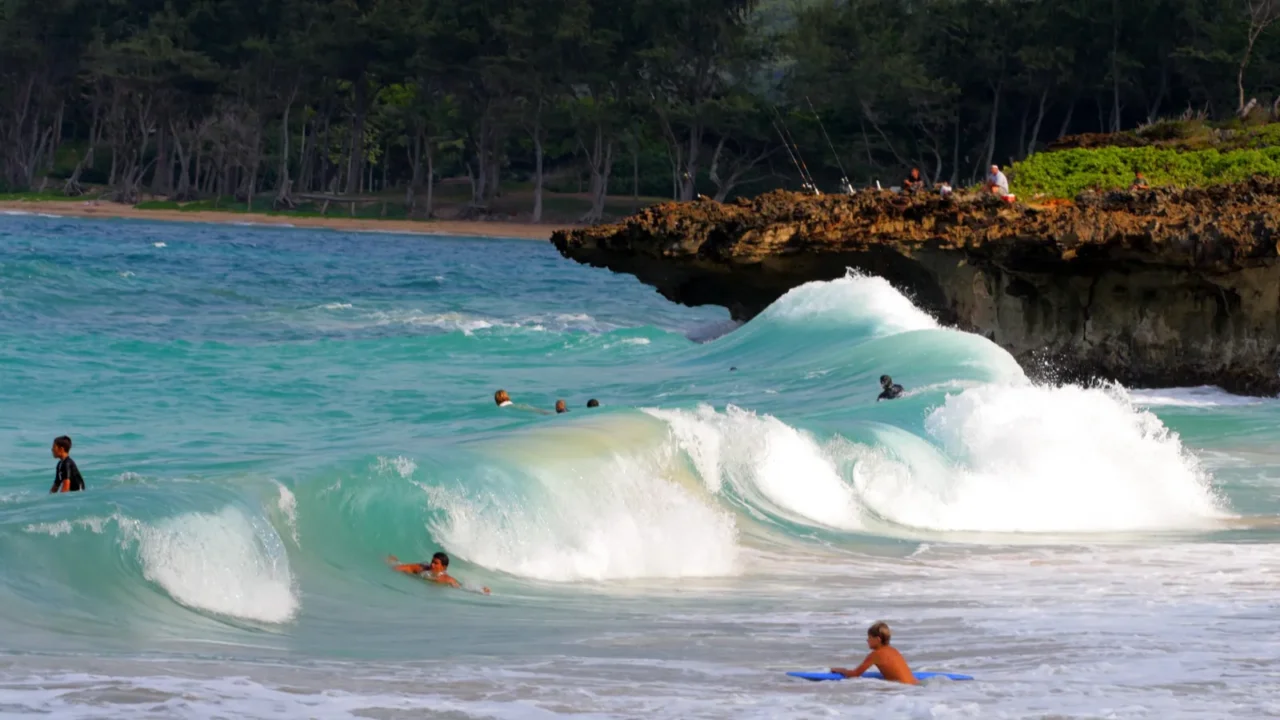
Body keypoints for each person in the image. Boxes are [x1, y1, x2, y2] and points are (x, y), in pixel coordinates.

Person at [831, 621, 917, 685]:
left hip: (902, 689)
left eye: (869, 637)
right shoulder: (894, 650)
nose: (867, 640)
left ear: (878, 640)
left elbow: (855, 674)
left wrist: (840, 670)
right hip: (914, 685)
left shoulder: (876, 654)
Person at [387, 552, 489, 594]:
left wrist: (480, 590)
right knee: (393, 561)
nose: (432, 565)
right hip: (417, 577)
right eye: (432, 562)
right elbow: (405, 567)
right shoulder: (423, 568)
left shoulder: (446, 579)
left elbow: (462, 587)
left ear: (443, 567)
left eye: (436, 563)